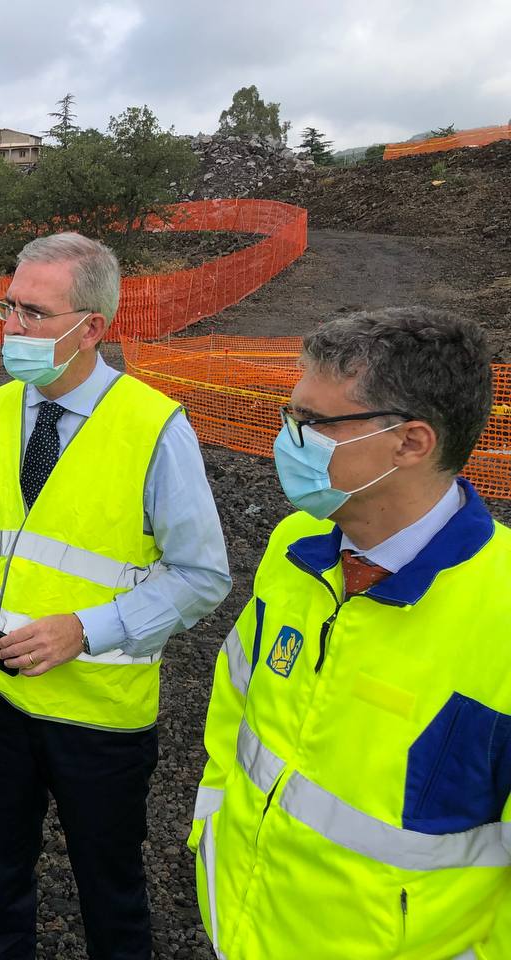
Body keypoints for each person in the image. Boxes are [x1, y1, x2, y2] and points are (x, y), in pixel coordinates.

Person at [0, 232, 231, 960]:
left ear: (91, 328)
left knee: (112, 890)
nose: (11, 327)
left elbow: (202, 574)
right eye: (8, 306)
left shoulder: (154, 428)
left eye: (33, 313)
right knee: (0, 872)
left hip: (98, 717)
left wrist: (90, 629)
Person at [190, 308, 511, 959]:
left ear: (411, 443)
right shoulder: (294, 545)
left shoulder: (498, 612)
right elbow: (237, 699)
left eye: (310, 423)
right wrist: (211, 824)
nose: (287, 438)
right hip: (242, 929)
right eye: (290, 415)